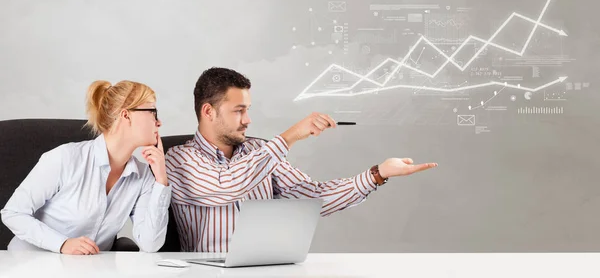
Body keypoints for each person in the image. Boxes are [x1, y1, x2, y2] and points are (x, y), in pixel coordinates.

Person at [165, 67, 438, 252]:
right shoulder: (179, 159)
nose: (248, 120)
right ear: (208, 111)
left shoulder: (259, 152)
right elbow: (227, 185)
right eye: (239, 111)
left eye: (248, 110)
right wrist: (292, 135)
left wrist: (378, 174)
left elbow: (310, 198)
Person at [1, 80, 171, 254]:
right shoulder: (66, 158)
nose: (159, 122)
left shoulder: (143, 177)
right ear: (126, 115)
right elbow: (13, 213)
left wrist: (161, 180)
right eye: (152, 112)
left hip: (87, 269)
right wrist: (62, 244)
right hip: (30, 263)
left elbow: (151, 245)